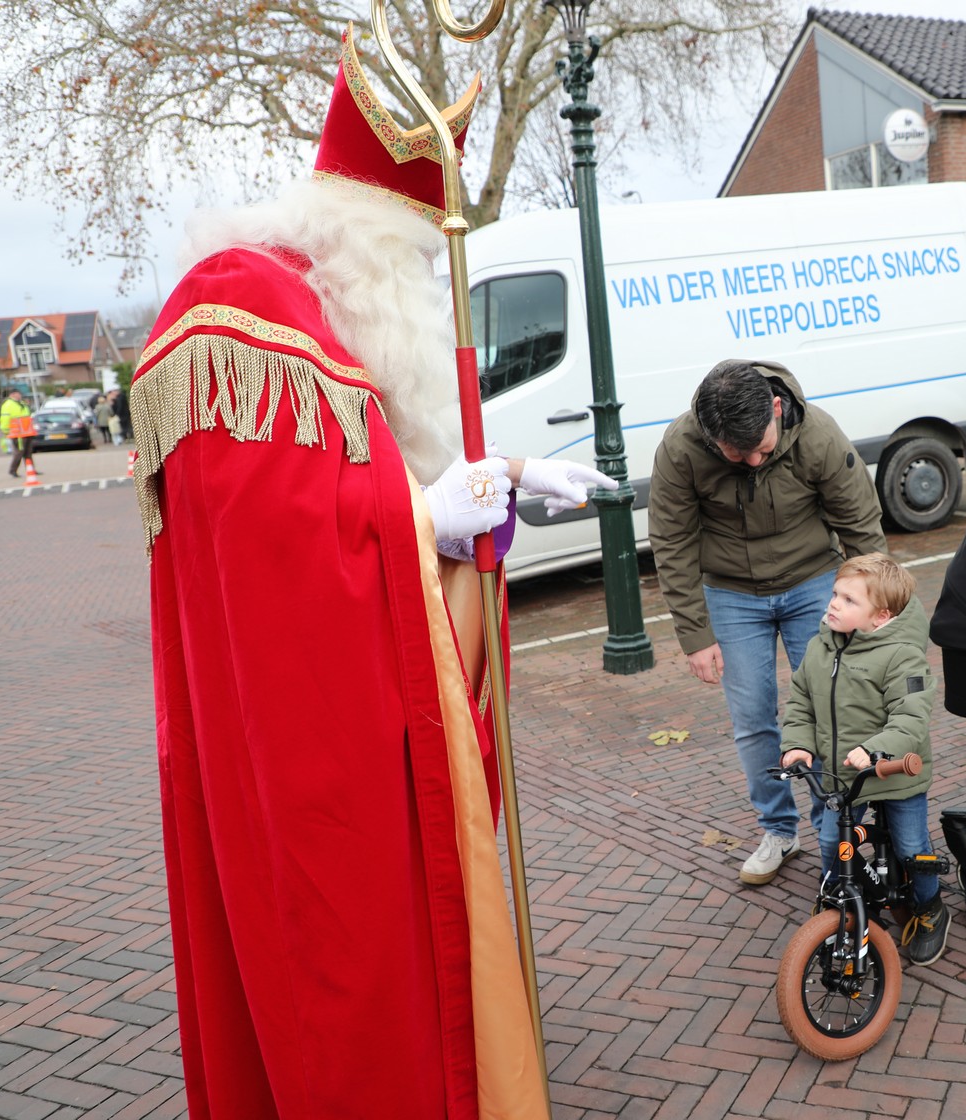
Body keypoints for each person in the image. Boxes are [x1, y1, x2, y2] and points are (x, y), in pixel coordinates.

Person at [131, 30, 611, 1119]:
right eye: (415, 261)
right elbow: (265, 539)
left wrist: (500, 480)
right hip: (304, 748)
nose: (424, 289)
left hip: (361, 729)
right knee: (343, 976)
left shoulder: (327, 308)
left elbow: (367, 468)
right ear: (366, 238)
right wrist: (423, 518)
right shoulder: (241, 299)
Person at [649, 359, 886, 886]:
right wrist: (695, 634)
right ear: (710, 436)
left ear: (777, 409)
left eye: (761, 447)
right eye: (738, 455)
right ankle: (779, 830)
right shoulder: (680, 449)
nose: (754, 461)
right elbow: (672, 541)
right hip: (731, 592)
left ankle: (833, 833)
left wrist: (874, 607)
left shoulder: (818, 435)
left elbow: (861, 525)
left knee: (829, 708)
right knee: (754, 717)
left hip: (813, 581)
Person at [779, 553, 948, 964]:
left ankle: (929, 909)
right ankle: (839, 902)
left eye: (849, 600)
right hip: (843, 775)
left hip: (895, 771)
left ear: (881, 616)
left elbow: (911, 716)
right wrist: (798, 743)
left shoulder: (902, 655)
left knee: (911, 847)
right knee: (831, 842)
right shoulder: (819, 648)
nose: (834, 604)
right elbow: (801, 701)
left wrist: (877, 749)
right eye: (835, 594)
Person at [0, 389, 34, 478]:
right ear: (12, 395)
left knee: (28, 452)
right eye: (18, 394)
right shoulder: (8, 405)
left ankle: (31, 469)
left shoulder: (22, 403)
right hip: (17, 433)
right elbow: (5, 418)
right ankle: (13, 470)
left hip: (27, 432)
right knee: (19, 452)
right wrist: (5, 430)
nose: (20, 396)